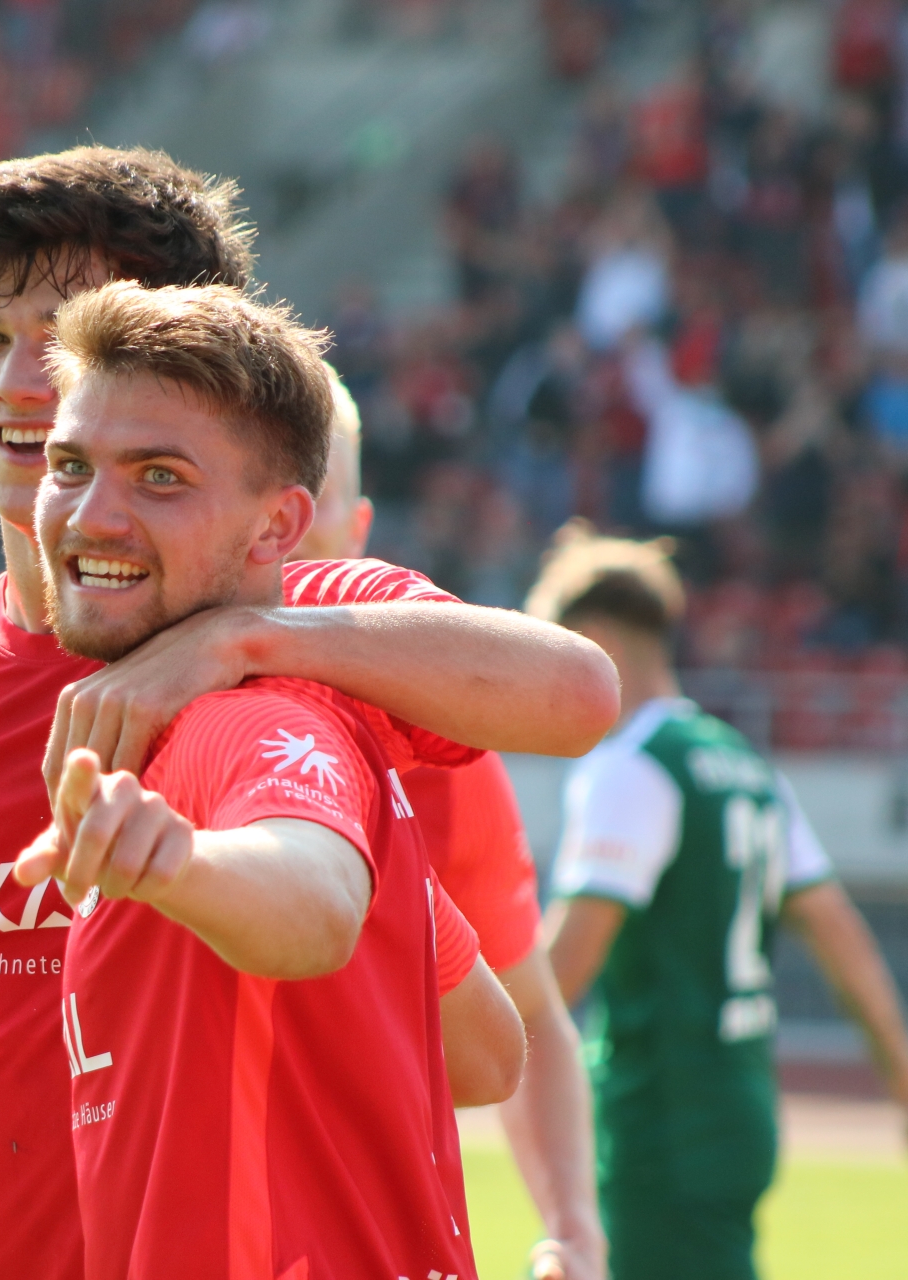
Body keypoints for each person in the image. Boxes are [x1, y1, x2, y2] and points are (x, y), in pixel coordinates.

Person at [0, 146, 619, 1280]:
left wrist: (236, 642)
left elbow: (576, 699)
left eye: (64, 335)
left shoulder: (307, 631)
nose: (18, 381)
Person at [9, 279, 521, 1280]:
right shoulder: (259, 710)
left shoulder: (244, 716)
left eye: (159, 477)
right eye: (69, 466)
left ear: (278, 527)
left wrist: (183, 865)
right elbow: (486, 1050)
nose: (91, 514)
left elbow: (314, 905)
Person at [534, 523, 908, 1280]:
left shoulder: (632, 768)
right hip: (740, 1110)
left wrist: (445, 1052)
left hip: (660, 1120)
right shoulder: (744, 763)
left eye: (549, 653)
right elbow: (838, 932)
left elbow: (562, 971)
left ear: (594, 642)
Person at [293, 374, 605, 1280]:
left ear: (357, 530)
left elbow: (529, 1019)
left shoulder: (444, 756)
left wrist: (574, 1231)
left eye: (309, 496)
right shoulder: (106, 702)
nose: (281, 526)